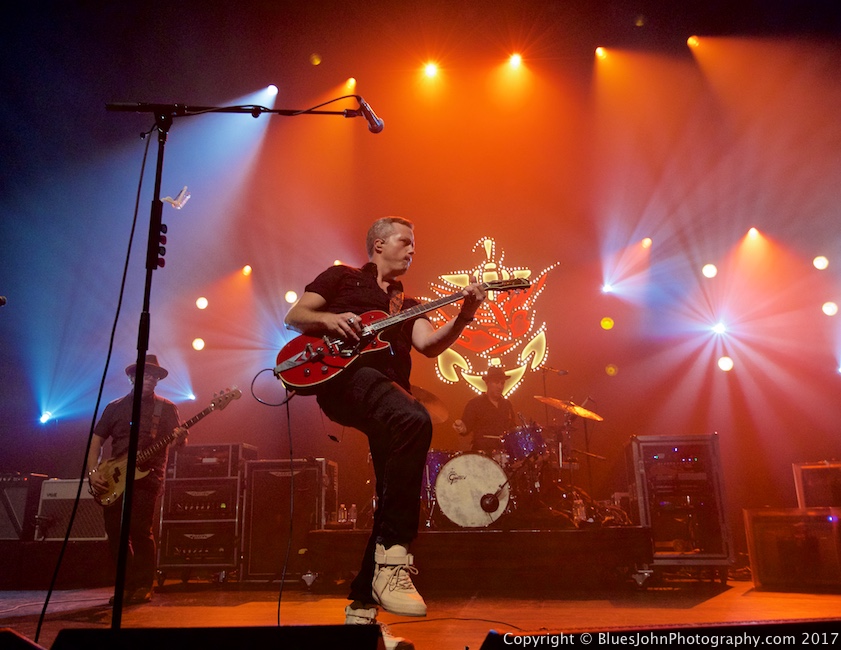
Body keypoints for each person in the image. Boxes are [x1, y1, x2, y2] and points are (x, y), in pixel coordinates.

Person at [284, 216, 486, 647]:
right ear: (378, 244)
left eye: (415, 244)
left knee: (392, 493)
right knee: (417, 419)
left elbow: (430, 345)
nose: (413, 250)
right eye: (405, 241)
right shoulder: (341, 277)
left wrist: (465, 316)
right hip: (346, 381)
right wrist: (332, 320)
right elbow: (295, 315)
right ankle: (395, 557)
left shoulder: (407, 304)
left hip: (390, 396)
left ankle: (361, 607)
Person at [86, 354, 184, 604]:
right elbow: (97, 439)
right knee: (116, 533)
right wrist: (93, 471)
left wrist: (181, 437)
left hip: (148, 477)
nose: (150, 379)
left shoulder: (166, 407)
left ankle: (143, 585)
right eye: (145, 374)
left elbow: (179, 443)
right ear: (132, 377)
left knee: (140, 531)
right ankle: (126, 585)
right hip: (114, 477)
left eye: (154, 376)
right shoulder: (115, 407)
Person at [452, 366, 515, 455]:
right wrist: (461, 427)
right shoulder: (475, 403)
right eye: (496, 382)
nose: (500, 386)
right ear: (487, 383)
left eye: (502, 383)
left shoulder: (507, 405)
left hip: (504, 453)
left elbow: (513, 429)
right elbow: (466, 426)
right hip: (482, 453)